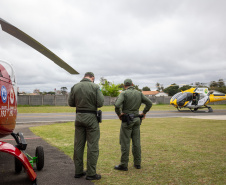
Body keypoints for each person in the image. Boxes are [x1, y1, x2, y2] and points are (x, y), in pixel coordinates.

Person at [68, 72, 104, 180]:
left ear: (84, 76)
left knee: (78, 145)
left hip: (79, 117)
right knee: (92, 146)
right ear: (92, 78)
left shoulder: (75, 86)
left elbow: (71, 103)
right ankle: (91, 173)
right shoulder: (95, 86)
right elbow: (100, 102)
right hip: (91, 118)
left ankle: (78, 171)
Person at [114, 79, 152, 171]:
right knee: (136, 142)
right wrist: (143, 112)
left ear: (124, 85)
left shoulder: (124, 93)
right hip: (136, 119)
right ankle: (137, 163)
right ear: (132, 84)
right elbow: (149, 103)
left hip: (127, 120)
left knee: (125, 142)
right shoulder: (139, 93)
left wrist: (119, 114)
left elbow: (117, 105)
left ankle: (124, 164)